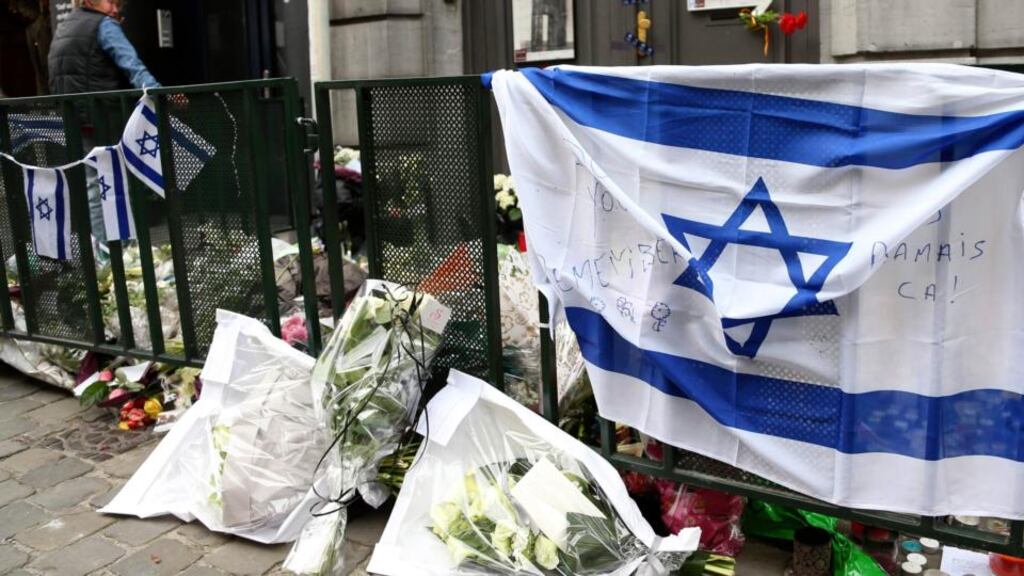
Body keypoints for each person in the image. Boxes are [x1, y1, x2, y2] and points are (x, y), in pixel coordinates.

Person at [48, 0, 160, 94]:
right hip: (103, 114)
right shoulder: (104, 24)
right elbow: (134, 67)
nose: (115, 10)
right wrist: (160, 96)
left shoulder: (62, 28)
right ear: (90, 2)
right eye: (110, 2)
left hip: (70, 115)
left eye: (117, 5)